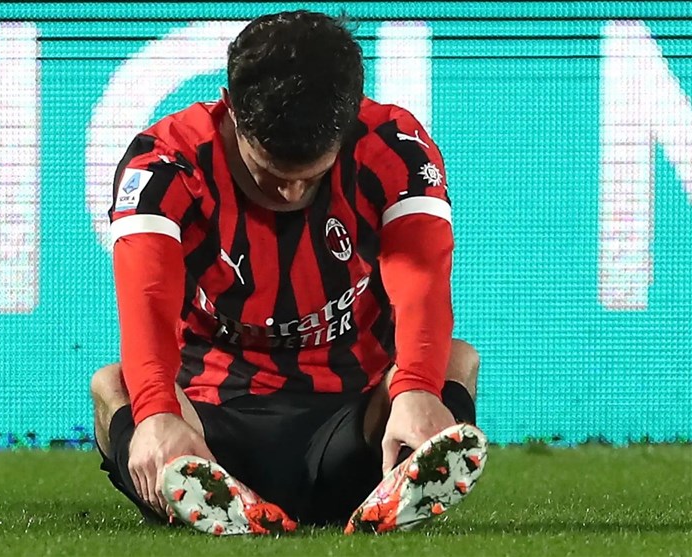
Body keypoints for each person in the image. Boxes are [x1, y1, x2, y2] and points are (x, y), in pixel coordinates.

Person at [91, 10, 487, 536]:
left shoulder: (396, 147)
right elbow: (147, 307)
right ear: (231, 108)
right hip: (211, 433)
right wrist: (160, 413)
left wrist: (417, 390)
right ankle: (203, 491)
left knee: (455, 360)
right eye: (270, 173)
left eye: (311, 176)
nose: (291, 193)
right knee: (115, 386)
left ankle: (395, 487)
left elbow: (422, 287)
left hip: (359, 425)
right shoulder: (164, 165)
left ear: (350, 120)